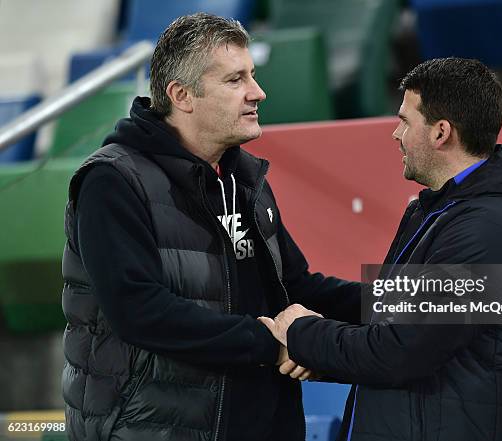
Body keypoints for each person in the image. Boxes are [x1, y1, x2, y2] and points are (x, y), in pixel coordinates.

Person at [60, 13, 360, 441]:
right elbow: (141, 312)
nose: (258, 92)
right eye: (235, 80)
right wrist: (274, 343)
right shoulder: (112, 181)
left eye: (252, 76)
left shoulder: (242, 177)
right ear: (182, 95)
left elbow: (294, 288)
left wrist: (406, 303)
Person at [260, 57, 502, 441]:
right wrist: (313, 330)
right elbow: (396, 319)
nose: (395, 134)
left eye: (404, 121)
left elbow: (400, 350)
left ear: (440, 133)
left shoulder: (488, 228)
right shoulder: (442, 211)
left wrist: (302, 333)